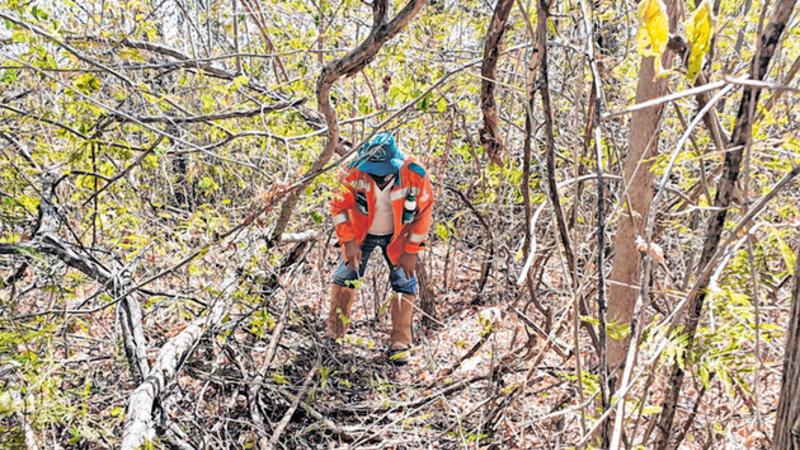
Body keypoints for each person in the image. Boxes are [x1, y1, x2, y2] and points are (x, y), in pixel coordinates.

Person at [325, 132, 434, 364]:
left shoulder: (414, 174)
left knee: (404, 281)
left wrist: (411, 250)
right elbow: (338, 208)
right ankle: (333, 335)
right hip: (360, 235)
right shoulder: (351, 171)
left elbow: (423, 214)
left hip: (398, 238)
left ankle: (400, 342)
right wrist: (348, 241)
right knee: (345, 277)